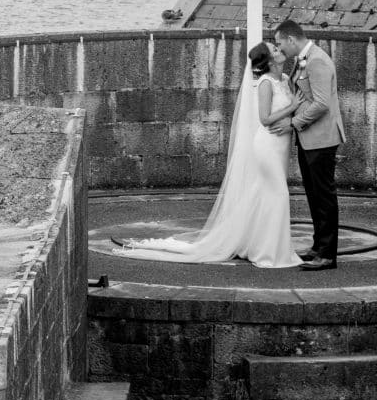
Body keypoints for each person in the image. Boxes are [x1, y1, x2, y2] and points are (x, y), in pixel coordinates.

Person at [114, 41, 303, 268]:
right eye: (274, 49)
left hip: (281, 146)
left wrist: (293, 117)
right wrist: (292, 107)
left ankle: (260, 244)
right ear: (269, 60)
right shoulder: (265, 83)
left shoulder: (283, 80)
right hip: (268, 145)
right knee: (278, 194)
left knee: (266, 195)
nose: (279, 50)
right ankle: (270, 253)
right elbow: (264, 119)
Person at [269, 18, 344, 271]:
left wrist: (293, 123)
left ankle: (328, 255)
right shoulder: (303, 59)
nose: (279, 49)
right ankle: (318, 247)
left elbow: (321, 103)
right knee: (314, 194)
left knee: (323, 195)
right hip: (309, 138)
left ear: (292, 39)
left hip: (321, 139)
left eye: (280, 44)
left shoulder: (317, 60)